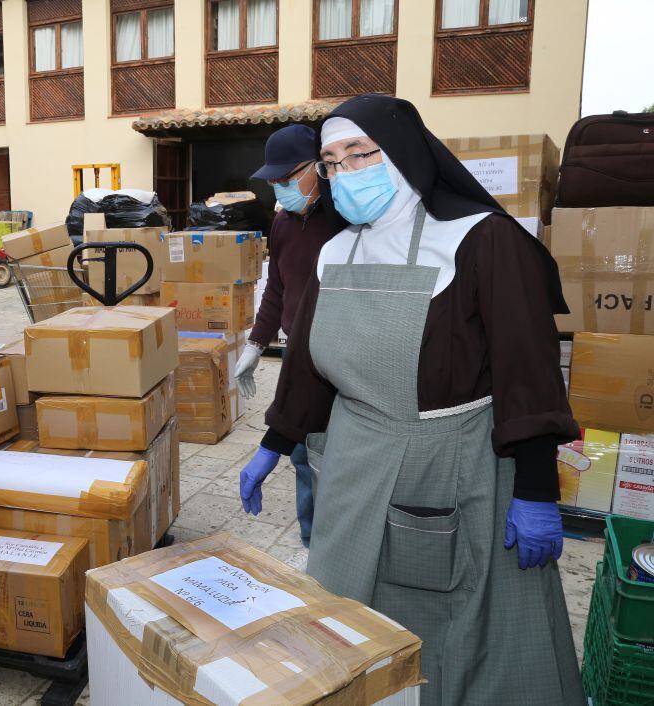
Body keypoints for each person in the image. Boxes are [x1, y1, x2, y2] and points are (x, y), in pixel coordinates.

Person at [238, 95, 583, 705]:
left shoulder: (480, 241)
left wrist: (535, 489)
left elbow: (526, 372)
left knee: (458, 637)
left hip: (453, 469)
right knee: (349, 627)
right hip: (352, 468)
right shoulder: (336, 251)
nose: (344, 174)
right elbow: (309, 368)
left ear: (401, 154)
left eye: (358, 155)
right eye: (331, 162)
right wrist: (275, 441)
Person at [234, 124, 343, 547]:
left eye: (288, 177)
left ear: (319, 167)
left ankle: (336, 547)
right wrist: (256, 344)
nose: (280, 188)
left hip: (337, 357)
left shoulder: (343, 221)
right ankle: (311, 542)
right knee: (302, 454)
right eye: (274, 181)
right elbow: (276, 287)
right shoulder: (281, 225)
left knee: (333, 456)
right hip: (299, 356)